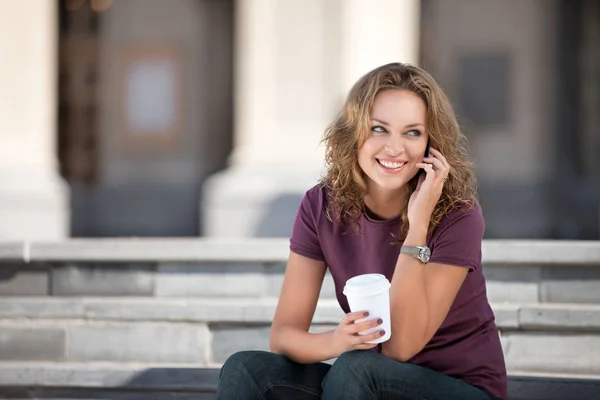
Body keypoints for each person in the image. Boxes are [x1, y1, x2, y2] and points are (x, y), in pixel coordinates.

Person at [217, 62, 507, 400]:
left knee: (356, 368)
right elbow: (284, 334)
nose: (394, 148)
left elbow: (399, 347)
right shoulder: (321, 206)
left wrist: (418, 226)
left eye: (412, 132)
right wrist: (335, 341)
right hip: (364, 384)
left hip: (459, 387)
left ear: (432, 144)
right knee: (246, 370)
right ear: (355, 133)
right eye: (379, 129)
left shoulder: (458, 215)